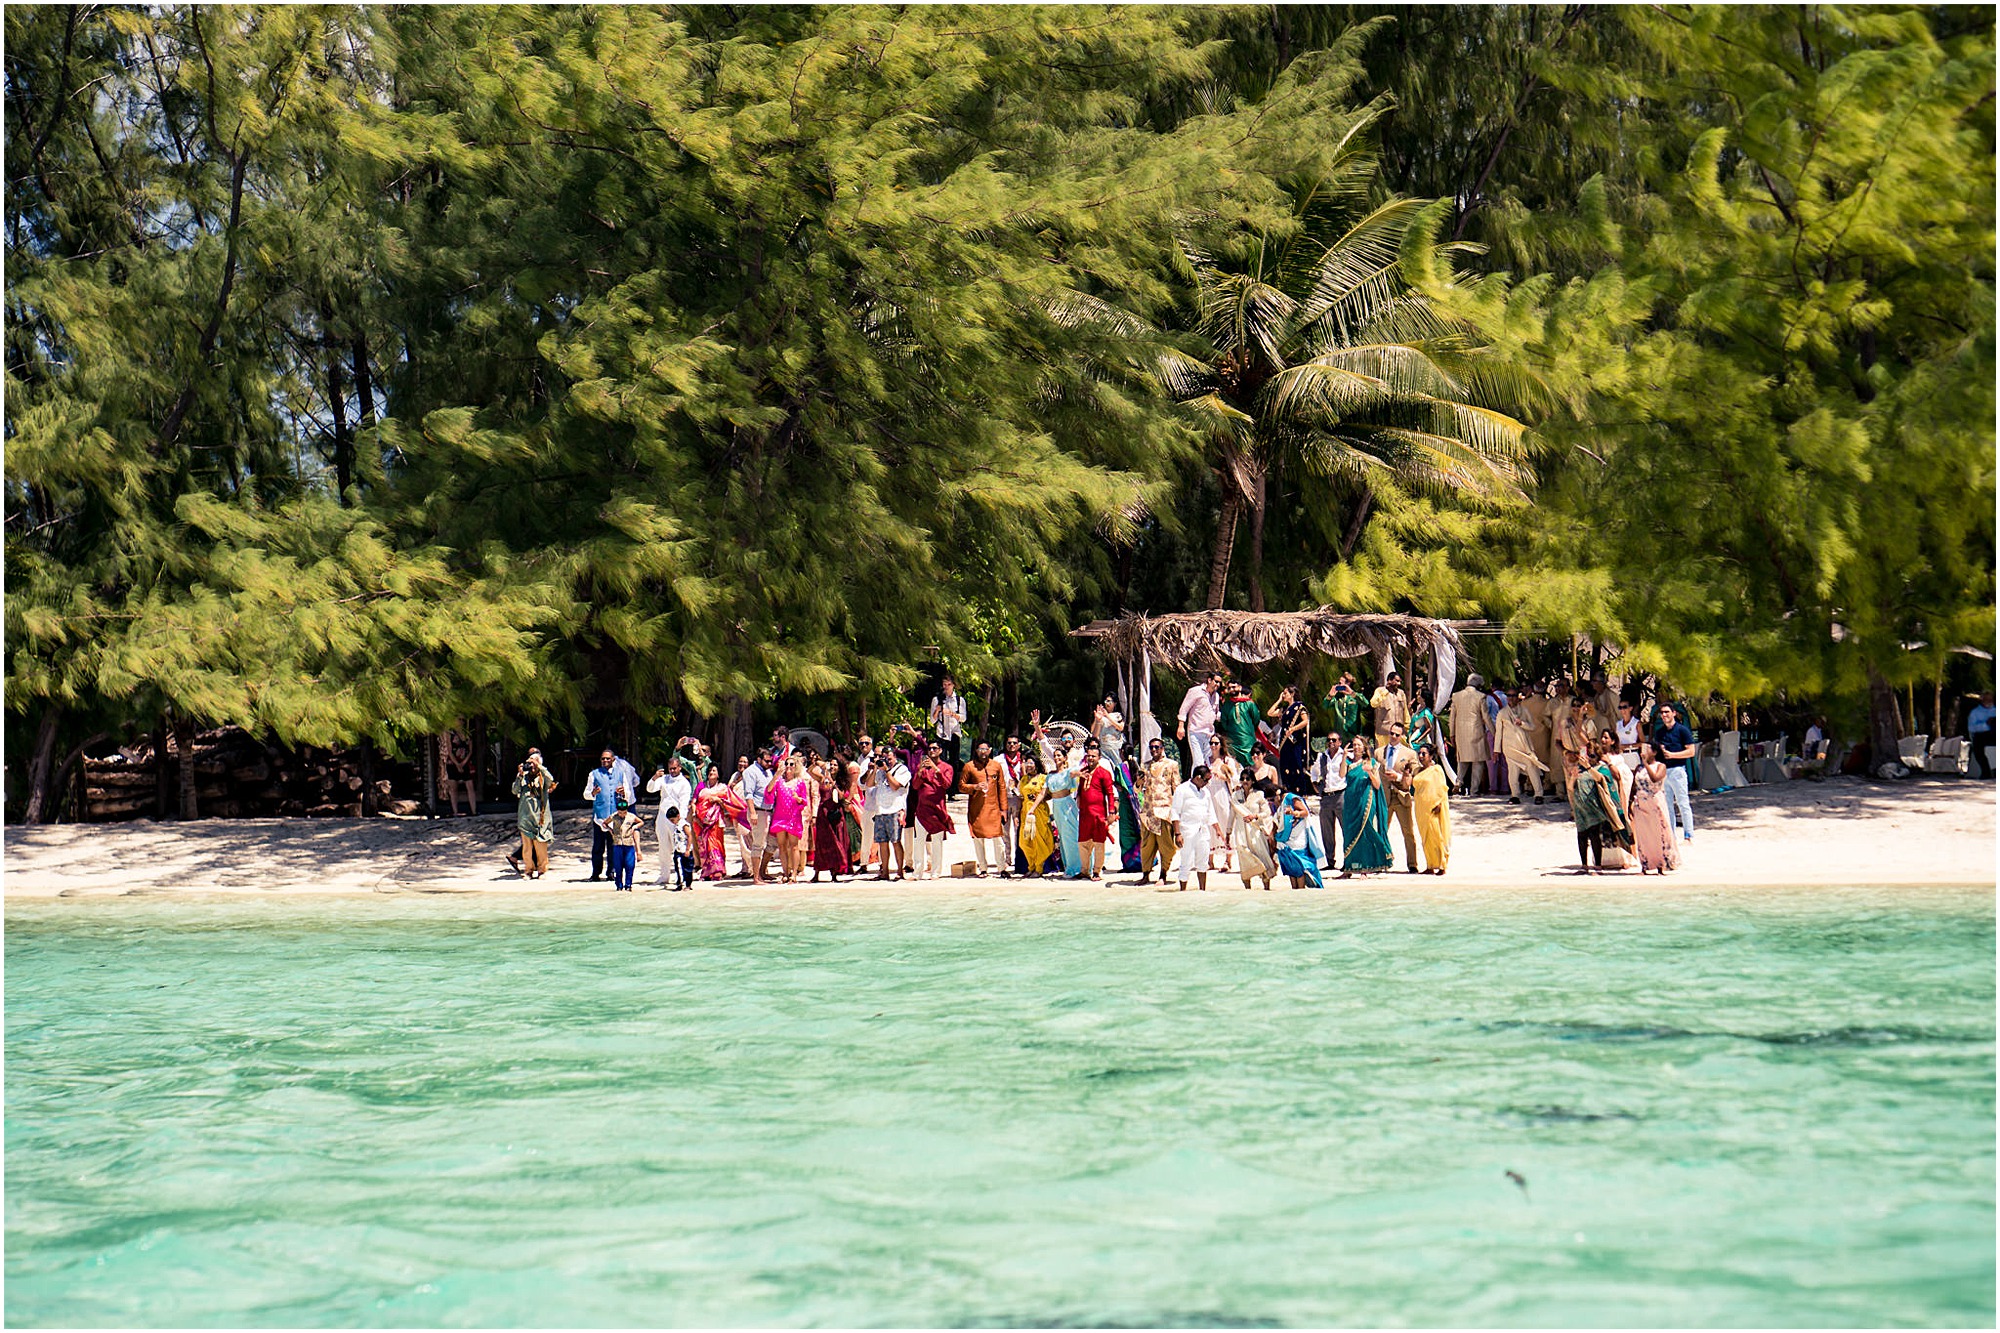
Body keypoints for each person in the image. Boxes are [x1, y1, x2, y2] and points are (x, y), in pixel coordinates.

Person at [1570, 737, 1633, 874]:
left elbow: (1601, 779)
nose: (1589, 758)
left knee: (1594, 836)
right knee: (1581, 836)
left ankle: (1599, 865)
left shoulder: (1602, 768)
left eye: (1592, 756)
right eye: (1588, 755)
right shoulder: (1579, 769)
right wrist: (1573, 777)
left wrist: (1588, 767)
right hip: (1581, 808)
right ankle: (1584, 865)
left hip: (1596, 808)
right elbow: (1571, 788)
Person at [1338, 737, 1394, 875]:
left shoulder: (1371, 763)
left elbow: (1377, 785)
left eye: (1359, 745)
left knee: (1366, 830)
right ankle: (1349, 868)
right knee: (1349, 832)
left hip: (1366, 801)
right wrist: (1344, 756)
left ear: (1364, 747)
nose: (1356, 747)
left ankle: (1368, 865)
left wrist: (1369, 772)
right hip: (1351, 801)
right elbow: (1341, 775)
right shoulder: (1348, 762)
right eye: (1354, 745)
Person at [582, 748, 637, 881]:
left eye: (608, 758)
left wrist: (623, 793)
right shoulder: (594, 774)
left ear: (613, 759)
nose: (605, 761)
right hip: (600, 817)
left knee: (614, 847)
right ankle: (596, 873)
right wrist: (593, 794)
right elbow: (586, 794)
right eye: (603, 759)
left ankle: (611, 872)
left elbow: (628, 796)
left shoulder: (621, 773)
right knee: (598, 847)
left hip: (615, 818)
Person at [1627, 742, 1682, 874]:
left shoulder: (1660, 766)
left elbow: (1655, 778)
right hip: (1641, 802)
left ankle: (1661, 864)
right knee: (1644, 834)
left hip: (1655, 801)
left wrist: (1646, 764)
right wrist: (1630, 802)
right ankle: (1645, 865)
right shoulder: (1639, 768)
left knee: (1659, 832)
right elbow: (1634, 785)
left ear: (1655, 752)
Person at [959, 740, 1009, 878]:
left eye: (985, 749)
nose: (983, 752)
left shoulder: (996, 766)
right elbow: (961, 786)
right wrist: (974, 787)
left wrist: (1004, 809)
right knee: (978, 839)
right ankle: (983, 868)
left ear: (990, 750)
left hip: (993, 809)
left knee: (998, 840)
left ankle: (1001, 867)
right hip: (977, 809)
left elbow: (1002, 788)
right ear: (976, 751)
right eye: (980, 749)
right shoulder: (969, 767)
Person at [1135, 737, 1181, 885]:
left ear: (1162, 748)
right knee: (1146, 846)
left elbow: (1177, 788)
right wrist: (1138, 782)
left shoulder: (1171, 765)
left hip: (1165, 809)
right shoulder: (1145, 766)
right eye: (1152, 748)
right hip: (1148, 810)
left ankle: (1163, 874)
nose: (1154, 750)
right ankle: (1146, 874)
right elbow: (1137, 790)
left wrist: (1178, 811)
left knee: (1166, 846)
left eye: (1157, 747)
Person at [1650, 703, 1698, 843]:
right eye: (1662, 713)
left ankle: (1688, 835)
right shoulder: (1660, 733)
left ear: (1674, 713)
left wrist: (1673, 755)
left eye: (1667, 712)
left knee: (1683, 803)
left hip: (1677, 770)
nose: (1664, 715)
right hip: (1664, 771)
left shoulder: (1682, 730)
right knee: (1667, 805)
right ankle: (1671, 834)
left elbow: (1691, 751)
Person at [862, 745, 910, 880]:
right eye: (884, 758)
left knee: (896, 841)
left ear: (895, 757)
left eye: (889, 758)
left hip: (895, 809)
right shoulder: (880, 771)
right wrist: (876, 769)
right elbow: (869, 784)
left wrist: (887, 770)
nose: (886, 761)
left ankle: (900, 872)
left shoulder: (902, 770)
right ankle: (885, 872)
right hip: (880, 810)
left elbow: (895, 786)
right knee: (882, 842)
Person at [1377, 722, 1420, 873]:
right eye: (1392, 733)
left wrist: (1398, 776)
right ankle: (1382, 861)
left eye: (1397, 734)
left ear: (1402, 736)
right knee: (1382, 830)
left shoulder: (1410, 754)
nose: (1393, 737)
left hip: (1401, 795)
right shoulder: (1378, 752)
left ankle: (1412, 864)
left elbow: (1416, 775)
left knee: (1408, 832)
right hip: (1384, 797)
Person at [910, 741, 956, 878]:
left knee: (937, 842)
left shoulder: (946, 767)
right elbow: (915, 786)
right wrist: (919, 772)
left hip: (937, 810)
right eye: (929, 748)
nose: (931, 751)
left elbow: (946, 784)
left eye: (935, 748)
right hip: (922, 810)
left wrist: (936, 769)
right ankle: (917, 872)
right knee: (919, 841)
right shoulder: (922, 767)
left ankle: (936, 871)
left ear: (940, 750)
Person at [1171, 765, 1221, 891]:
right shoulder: (1182, 789)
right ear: (1198, 778)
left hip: (1203, 830)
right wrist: (1177, 834)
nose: (1207, 783)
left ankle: (1202, 890)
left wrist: (1217, 829)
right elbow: (1175, 812)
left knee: (1203, 861)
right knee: (1186, 861)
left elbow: (1211, 812)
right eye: (1206, 780)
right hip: (1187, 830)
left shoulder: (1206, 792)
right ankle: (1183, 890)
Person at [1074, 740, 1118, 880]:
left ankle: (1097, 871)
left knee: (1099, 843)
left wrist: (1111, 811)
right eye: (1089, 756)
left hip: (1098, 815)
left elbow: (1110, 793)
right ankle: (1084, 871)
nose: (1091, 758)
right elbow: (1080, 791)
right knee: (1083, 842)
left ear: (1099, 758)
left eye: (1094, 756)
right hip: (1085, 814)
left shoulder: (1104, 773)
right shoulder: (1083, 773)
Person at [509, 749, 556, 878]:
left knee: (541, 846)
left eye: (533, 763)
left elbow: (550, 779)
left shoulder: (543, 777)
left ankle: (542, 870)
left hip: (540, 818)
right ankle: (528, 870)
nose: (531, 767)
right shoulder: (523, 777)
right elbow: (515, 790)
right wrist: (519, 775)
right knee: (527, 847)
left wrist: (539, 766)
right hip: (525, 817)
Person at [1496, 692, 1549, 804]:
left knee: (1532, 768)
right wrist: (1497, 750)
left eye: (1513, 696)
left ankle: (1539, 794)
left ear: (1517, 698)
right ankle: (1515, 795)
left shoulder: (1524, 711)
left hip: (1524, 746)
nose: (1511, 698)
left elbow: (1532, 726)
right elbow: (1498, 733)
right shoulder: (1502, 713)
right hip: (1509, 746)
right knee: (1513, 771)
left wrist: (1522, 724)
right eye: (1509, 696)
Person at [648, 757, 693, 885]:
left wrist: (680, 821)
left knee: (678, 847)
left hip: (676, 819)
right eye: (670, 768)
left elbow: (684, 803)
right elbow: (650, 789)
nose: (672, 771)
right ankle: (664, 875)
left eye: (675, 768)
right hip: (662, 817)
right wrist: (655, 777)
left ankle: (681, 876)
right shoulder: (664, 779)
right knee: (663, 847)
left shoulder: (684, 783)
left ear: (679, 767)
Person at [766, 753, 811, 883]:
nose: (789, 766)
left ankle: (794, 874)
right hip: (780, 817)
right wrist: (776, 775)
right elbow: (768, 791)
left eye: (792, 764)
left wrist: (798, 799)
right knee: (782, 846)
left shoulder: (800, 782)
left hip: (793, 818)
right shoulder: (779, 781)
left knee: (794, 846)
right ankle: (785, 873)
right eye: (787, 764)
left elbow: (804, 801)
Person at [1231, 777, 1281, 890]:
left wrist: (1255, 816)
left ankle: (1267, 889)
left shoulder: (1259, 794)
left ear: (1252, 781)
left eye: (1247, 779)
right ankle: (1247, 890)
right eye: (1242, 778)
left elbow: (1267, 812)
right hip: (1241, 830)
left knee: (1262, 856)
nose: (1245, 781)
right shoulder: (1235, 796)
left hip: (1255, 830)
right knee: (1244, 855)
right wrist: (1228, 831)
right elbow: (1232, 814)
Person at [809, 759, 853, 883]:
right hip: (823, 812)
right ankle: (817, 873)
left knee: (836, 841)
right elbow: (809, 771)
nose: (833, 767)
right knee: (821, 842)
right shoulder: (823, 778)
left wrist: (833, 782)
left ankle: (834, 873)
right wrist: (816, 763)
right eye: (831, 764)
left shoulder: (841, 781)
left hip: (835, 813)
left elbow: (841, 796)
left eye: (835, 765)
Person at [1411, 744, 1452, 875]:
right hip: (1420, 807)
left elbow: (1442, 788)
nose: (1421, 756)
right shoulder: (1417, 770)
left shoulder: (1436, 770)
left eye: (1424, 754)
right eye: (1420, 753)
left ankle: (1442, 865)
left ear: (1431, 756)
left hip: (1434, 807)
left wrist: (1439, 804)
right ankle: (1430, 865)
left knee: (1436, 836)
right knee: (1425, 837)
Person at [739, 747, 778, 883]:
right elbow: (748, 794)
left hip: (769, 810)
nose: (769, 764)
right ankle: (756, 877)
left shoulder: (768, 772)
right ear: (759, 759)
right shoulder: (750, 772)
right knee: (758, 844)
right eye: (767, 761)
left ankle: (762, 871)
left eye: (770, 761)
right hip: (758, 810)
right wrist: (753, 812)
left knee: (772, 842)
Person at [690, 780, 742, 880]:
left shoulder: (723, 787)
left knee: (716, 843)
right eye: (710, 771)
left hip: (716, 820)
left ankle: (718, 871)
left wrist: (718, 800)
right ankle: (707, 872)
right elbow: (694, 802)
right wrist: (694, 815)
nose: (711, 773)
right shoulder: (701, 785)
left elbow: (729, 804)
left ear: (718, 774)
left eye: (714, 771)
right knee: (704, 845)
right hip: (701, 820)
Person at [1045, 743, 1082, 878]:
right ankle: (1068, 867)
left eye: (1059, 755)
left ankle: (1077, 867)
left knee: (1071, 835)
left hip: (1067, 805)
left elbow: (1076, 772)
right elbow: (1046, 793)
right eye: (1055, 756)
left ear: (1065, 758)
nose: (1056, 758)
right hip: (1056, 806)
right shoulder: (1051, 775)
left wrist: (1080, 773)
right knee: (1062, 837)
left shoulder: (1069, 772)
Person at [1273, 792, 1326, 888]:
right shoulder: (1280, 806)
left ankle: (1301, 892)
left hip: (1297, 839)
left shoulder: (1290, 798)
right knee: (1290, 868)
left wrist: (1293, 813)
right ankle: (1295, 894)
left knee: (1299, 867)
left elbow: (1305, 812)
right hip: (1285, 840)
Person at [1310, 735, 1347, 870]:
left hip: (1340, 794)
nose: (1331, 742)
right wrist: (1316, 785)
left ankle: (1347, 860)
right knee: (1327, 832)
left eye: (1334, 740)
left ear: (1340, 742)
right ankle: (1330, 861)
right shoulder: (1322, 756)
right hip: (1325, 796)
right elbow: (1314, 772)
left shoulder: (1345, 755)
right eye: (1329, 740)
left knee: (1345, 829)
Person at [1268, 685, 1312, 795]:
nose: (1284, 695)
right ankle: (1288, 791)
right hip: (1285, 741)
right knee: (1285, 765)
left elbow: (1305, 721)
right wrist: (1279, 700)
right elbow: (1270, 712)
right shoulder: (1284, 710)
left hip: (1294, 740)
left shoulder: (1299, 707)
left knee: (1296, 765)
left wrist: (1293, 729)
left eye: (1286, 693)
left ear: (1292, 694)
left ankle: (1299, 793)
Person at [1176, 670, 1223, 771]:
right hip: (1195, 731)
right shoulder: (1195, 691)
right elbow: (1184, 709)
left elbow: (1216, 712)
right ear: (1209, 680)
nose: (1217, 684)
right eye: (1216, 681)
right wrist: (1181, 727)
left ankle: (1200, 784)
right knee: (1198, 762)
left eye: (1219, 682)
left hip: (1209, 733)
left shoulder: (1216, 696)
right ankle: (1195, 785)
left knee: (1207, 762)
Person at [1451, 675, 1490, 796]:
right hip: (1476, 731)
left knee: (1462, 760)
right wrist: (1495, 732)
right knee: (1478, 761)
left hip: (1460, 733)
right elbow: (1486, 717)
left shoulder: (1456, 696)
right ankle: (1474, 790)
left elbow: (1452, 718)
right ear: (1478, 685)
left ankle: (1458, 781)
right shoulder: (1480, 697)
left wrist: (1452, 734)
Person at [1017, 756, 1056, 877]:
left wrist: (1039, 798)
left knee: (1039, 839)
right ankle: (1031, 866)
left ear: (1036, 764)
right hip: (1025, 812)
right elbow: (1021, 795)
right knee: (1024, 842)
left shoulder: (1043, 778)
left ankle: (1039, 868)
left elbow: (1050, 795)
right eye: (1026, 763)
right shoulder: (1023, 779)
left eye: (1030, 763)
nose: (1028, 765)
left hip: (1038, 812)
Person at [601, 795, 644, 891]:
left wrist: (634, 827)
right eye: (620, 812)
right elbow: (605, 823)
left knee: (629, 865)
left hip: (629, 844)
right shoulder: (614, 816)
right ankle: (619, 886)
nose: (622, 814)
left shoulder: (631, 816)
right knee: (618, 866)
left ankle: (628, 885)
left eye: (624, 812)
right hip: (617, 844)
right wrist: (610, 830)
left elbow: (641, 822)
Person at [1001, 735, 1028, 872]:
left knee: (1019, 829)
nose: (1012, 745)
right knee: (1005, 830)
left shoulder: (1023, 760)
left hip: (1019, 798)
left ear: (1019, 745)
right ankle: (1007, 858)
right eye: (1009, 742)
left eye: (1014, 743)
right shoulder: (999, 760)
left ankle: (1019, 858)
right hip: (1004, 797)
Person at [1218, 679, 1261, 766]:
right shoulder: (1227, 705)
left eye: (1234, 687)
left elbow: (1256, 719)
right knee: (1235, 767)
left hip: (1248, 741)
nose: (1232, 689)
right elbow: (1224, 723)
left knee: (1252, 766)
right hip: (1233, 743)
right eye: (1229, 688)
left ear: (1240, 687)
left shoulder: (1249, 704)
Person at [929, 677, 968, 765]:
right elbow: (932, 720)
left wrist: (952, 714)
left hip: (954, 733)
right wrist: (937, 710)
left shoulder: (959, 700)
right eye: (944, 685)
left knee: (954, 761)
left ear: (953, 685)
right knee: (940, 761)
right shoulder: (936, 699)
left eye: (949, 684)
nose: (946, 687)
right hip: (941, 733)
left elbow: (963, 718)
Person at [441, 726, 478, 817]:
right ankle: (455, 812)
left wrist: (463, 763)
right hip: (453, 762)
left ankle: (474, 811)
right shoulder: (450, 733)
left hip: (466, 762)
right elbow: (449, 751)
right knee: (453, 788)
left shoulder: (467, 733)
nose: (461, 722)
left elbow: (470, 750)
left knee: (470, 785)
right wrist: (457, 764)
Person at [1370, 670, 1410, 751]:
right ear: (1389, 680)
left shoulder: (1401, 693)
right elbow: (1373, 703)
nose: (1399, 684)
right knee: (1384, 756)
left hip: (1399, 733)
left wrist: (1407, 728)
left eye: (1400, 682)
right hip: (1384, 733)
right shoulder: (1380, 691)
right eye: (1397, 681)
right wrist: (1385, 692)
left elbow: (1405, 712)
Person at [1322, 673, 1364, 747]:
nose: (1338, 685)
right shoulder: (1337, 698)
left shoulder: (1355, 696)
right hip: (1339, 736)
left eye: (1340, 683)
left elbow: (1365, 703)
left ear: (1348, 684)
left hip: (1353, 735)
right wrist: (1330, 695)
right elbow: (1325, 706)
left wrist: (1352, 693)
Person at [662, 806, 695, 890]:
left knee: (687, 868)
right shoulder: (676, 825)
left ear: (678, 816)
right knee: (678, 867)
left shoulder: (684, 825)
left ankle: (687, 884)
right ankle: (679, 883)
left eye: (673, 820)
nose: (672, 822)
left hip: (685, 850)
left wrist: (687, 849)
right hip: (678, 849)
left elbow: (689, 836)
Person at [1968, 693, 1995, 780]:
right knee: (1978, 749)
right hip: (1982, 735)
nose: (1988, 702)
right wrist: (1985, 724)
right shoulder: (1975, 712)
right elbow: (1971, 728)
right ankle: (1986, 772)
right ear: (1982, 701)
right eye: (1986, 700)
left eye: (1990, 700)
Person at [1091, 697, 1127, 762]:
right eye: (1106, 701)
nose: (1107, 703)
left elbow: (1120, 727)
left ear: (1115, 703)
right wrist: (1097, 719)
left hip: (1116, 747)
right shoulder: (1100, 715)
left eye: (1109, 701)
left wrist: (1107, 716)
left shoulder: (1118, 715)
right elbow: (1093, 733)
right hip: (1103, 747)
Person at [1612, 700, 1644, 773]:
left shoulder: (1636, 723)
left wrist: (1627, 746)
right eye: (1620, 707)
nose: (1623, 710)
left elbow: (1643, 743)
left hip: (1632, 754)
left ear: (1630, 708)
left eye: (1625, 707)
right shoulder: (1618, 724)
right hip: (1621, 755)